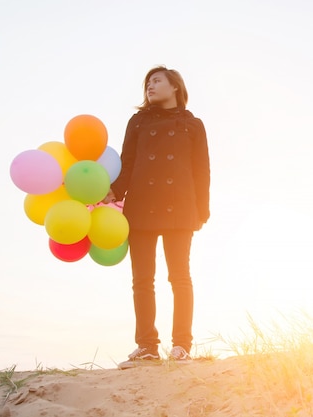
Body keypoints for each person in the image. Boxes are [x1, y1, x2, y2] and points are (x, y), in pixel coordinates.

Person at [104, 66, 210, 369]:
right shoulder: (138, 122)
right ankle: (147, 346)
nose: (150, 86)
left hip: (181, 206)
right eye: (147, 82)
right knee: (142, 280)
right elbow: (128, 162)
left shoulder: (193, 125)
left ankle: (181, 346)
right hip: (141, 205)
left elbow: (202, 168)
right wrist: (115, 192)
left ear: (175, 87)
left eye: (157, 81)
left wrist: (202, 209)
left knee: (179, 277)